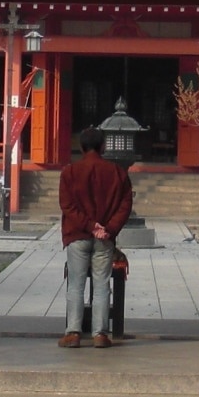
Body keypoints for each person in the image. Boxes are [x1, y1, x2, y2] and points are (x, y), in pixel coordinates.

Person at [57, 132, 131, 348]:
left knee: (76, 285)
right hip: (105, 238)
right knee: (101, 284)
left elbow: (67, 205)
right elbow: (125, 205)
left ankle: (73, 332)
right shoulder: (117, 172)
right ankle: (100, 334)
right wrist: (108, 228)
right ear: (103, 147)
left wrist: (90, 226)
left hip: (78, 234)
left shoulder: (70, 172)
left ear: (81, 147)